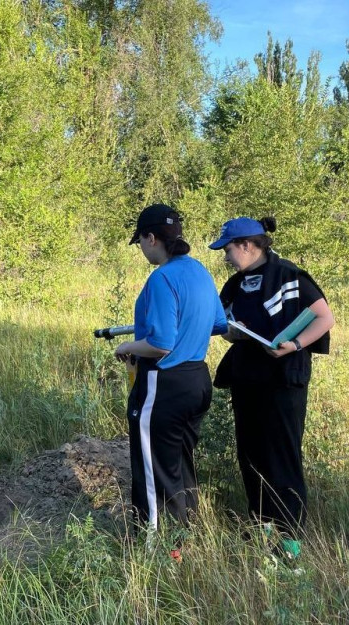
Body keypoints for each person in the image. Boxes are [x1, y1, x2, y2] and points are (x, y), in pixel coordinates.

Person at [209, 216, 334, 561]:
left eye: (228, 250)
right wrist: (233, 331)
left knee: (282, 457)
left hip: (283, 379)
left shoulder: (289, 275)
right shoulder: (235, 284)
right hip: (247, 378)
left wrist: (294, 344)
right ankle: (261, 527)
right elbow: (224, 327)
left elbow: (324, 318)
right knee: (251, 454)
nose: (226, 257)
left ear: (248, 245)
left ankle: (289, 541)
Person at [112, 203, 228, 561]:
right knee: (179, 463)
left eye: (140, 242)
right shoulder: (199, 271)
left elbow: (161, 344)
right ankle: (182, 541)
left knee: (153, 470)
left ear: (151, 238)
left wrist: (127, 347)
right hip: (197, 380)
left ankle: (154, 553)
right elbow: (218, 324)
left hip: (164, 385)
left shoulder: (162, 278)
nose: (141, 250)